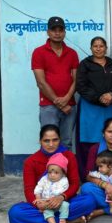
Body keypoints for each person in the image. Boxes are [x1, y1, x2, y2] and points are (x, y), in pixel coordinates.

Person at [8, 125, 95, 223]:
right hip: (42, 204)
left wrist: (61, 197)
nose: (51, 144)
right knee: (15, 213)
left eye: (55, 140)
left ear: (60, 140)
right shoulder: (30, 161)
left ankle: (49, 221)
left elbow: (74, 184)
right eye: (46, 141)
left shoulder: (68, 156)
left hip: (64, 202)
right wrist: (40, 205)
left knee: (89, 201)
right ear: (40, 141)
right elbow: (29, 190)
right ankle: (69, 221)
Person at [31, 16, 79, 148]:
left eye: (60, 30)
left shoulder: (72, 53)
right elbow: (40, 82)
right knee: (48, 143)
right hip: (48, 106)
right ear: (48, 32)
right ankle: (49, 169)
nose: (57, 33)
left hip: (70, 106)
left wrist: (67, 98)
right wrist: (60, 104)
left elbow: (76, 79)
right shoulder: (39, 52)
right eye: (54, 30)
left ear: (64, 32)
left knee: (67, 142)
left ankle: (64, 169)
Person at [76, 36, 112, 175]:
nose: (98, 48)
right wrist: (99, 98)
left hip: (109, 107)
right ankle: (86, 174)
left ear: (106, 48)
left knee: (109, 138)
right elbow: (81, 86)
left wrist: (111, 94)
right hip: (90, 108)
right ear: (91, 48)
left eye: (101, 46)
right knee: (88, 140)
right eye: (95, 46)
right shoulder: (85, 64)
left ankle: (110, 173)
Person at [33, 152, 70, 223]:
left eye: (56, 173)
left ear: (63, 173)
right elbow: (38, 188)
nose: (52, 175)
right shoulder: (44, 179)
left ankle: (62, 219)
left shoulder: (64, 180)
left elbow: (61, 191)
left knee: (66, 205)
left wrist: (55, 200)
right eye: (50, 172)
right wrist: (38, 199)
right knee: (47, 213)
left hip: (58, 203)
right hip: (45, 204)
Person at [88, 150, 112, 215]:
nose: (99, 169)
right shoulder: (101, 174)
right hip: (108, 196)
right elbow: (90, 174)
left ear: (111, 166)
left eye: (101, 166)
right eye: (98, 166)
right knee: (87, 187)